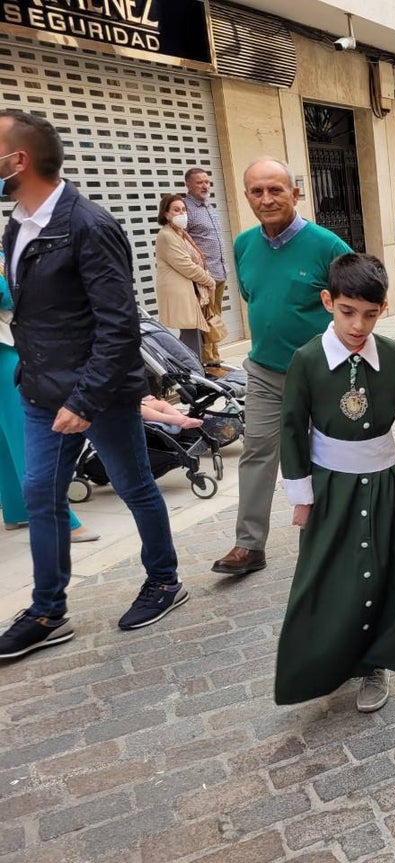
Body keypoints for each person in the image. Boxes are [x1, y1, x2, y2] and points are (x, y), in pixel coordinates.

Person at [0, 111, 187, 658]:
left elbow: (119, 323)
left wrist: (85, 398)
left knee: (133, 486)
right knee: (41, 495)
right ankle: (47, 609)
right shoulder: (17, 223)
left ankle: (164, 580)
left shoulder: (89, 225)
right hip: (39, 389)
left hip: (97, 392)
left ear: (19, 160)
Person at [275, 253, 395, 711]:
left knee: (389, 574)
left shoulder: (390, 352)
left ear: (384, 308)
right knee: (329, 579)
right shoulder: (307, 360)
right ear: (329, 301)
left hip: (386, 486)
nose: (358, 325)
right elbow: (290, 429)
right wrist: (302, 496)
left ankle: (374, 665)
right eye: (347, 311)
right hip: (331, 489)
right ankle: (324, 665)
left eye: (370, 314)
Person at [210, 159, 353, 578]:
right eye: (257, 191)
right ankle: (249, 545)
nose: (266, 199)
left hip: (321, 373)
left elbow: (355, 306)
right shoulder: (243, 245)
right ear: (247, 195)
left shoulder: (328, 246)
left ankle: (333, 537)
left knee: (327, 454)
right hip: (264, 371)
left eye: (276, 190)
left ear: (296, 193)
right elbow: (253, 296)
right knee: (256, 452)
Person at [0, 257, 93, 543]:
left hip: (11, 346)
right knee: (27, 436)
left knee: (8, 436)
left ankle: (17, 509)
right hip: (6, 351)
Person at [154, 193, 215, 359]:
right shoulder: (167, 236)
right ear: (166, 214)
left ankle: (192, 369)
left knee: (192, 333)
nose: (181, 213)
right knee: (190, 334)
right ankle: (193, 372)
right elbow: (185, 266)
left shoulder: (181, 233)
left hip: (191, 290)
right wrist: (209, 280)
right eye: (176, 210)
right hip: (181, 291)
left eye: (183, 209)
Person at [183, 167, 230, 366]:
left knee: (215, 317)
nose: (204, 186)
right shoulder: (185, 208)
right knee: (205, 320)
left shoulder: (209, 208)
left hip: (219, 272)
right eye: (199, 182)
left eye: (207, 182)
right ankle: (209, 361)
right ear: (188, 184)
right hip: (203, 277)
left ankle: (214, 358)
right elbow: (181, 243)